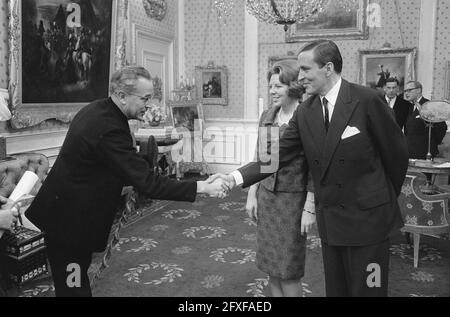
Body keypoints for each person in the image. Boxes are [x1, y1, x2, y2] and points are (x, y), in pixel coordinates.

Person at [209, 40, 409, 297]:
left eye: (305, 69)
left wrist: (381, 198)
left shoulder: (368, 99)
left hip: (369, 222)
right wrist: (233, 177)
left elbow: (396, 155)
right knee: (337, 290)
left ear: (327, 67)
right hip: (332, 223)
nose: (300, 77)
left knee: (370, 290)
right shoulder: (306, 111)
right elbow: (274, 156)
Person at [25, 66, 228, 297]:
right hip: (69, 226)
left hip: (67, 216)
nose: (148, 105)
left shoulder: (98, 110)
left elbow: (107, 160)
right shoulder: (109, 126)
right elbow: (148, 183)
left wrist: (137, 162)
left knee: (73, 282)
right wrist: (202, 186)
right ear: (122, 96)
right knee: (73, 287)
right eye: (145, 98)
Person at [246, 60, 315, 297]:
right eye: (271, 86)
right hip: (267, 197)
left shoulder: (307, 117)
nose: (272, 91)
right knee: (271, 267)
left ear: (293, 86)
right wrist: (252, 194)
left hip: (292, 202)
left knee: (288, 269)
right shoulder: (268, 115)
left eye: (278, 86)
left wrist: (309, 207)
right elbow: (260, 157)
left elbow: (315, 168)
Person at [403, 80, 448, 159]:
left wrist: (433, 143)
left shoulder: (429, 105)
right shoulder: (409, 107)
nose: (406, 93)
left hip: (425, 153)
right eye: (405, 91)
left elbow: (442, 127)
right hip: (410, 153)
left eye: (409, 90)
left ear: (419, 90)